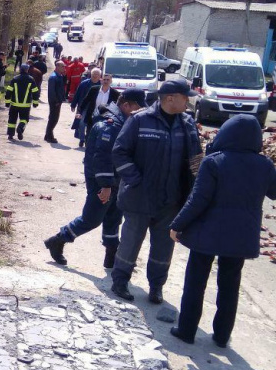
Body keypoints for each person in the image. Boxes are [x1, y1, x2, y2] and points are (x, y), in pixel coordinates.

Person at [168, 115, 276, 347]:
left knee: (196, 282)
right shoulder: (265, 165)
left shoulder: (215, 162)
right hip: (241, 237)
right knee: (230, 286)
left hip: (206, 233)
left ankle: (186, 330)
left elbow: (198, 200)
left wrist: (178, 224)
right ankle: (222, 336)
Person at [110, 78, 202, 303]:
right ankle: (120, 281)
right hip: (139, 197)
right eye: (185, 98)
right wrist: (136, 180)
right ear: (170, 98)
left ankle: (156, 286)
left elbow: (196, 160)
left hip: (170, 200)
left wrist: (197, 187)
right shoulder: (140, 120)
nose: (188, 103)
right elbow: (119, 153)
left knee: (163, 247)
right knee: (131, 242)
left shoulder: (187, 123)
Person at [44, 89, 149, 267]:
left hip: (116, 179)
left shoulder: (124, 121)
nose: (140, 112)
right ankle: (58, 240)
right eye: (137, 107)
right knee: (92, 218)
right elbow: (102, 158)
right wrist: (106, 185)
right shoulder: (111, 125)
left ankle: (111, 256)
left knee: (114, 217)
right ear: (126, 105)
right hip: (102, 179)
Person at [5, 64, 40, 141]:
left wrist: (7, 102)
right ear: (27, 70)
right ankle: (20, 128)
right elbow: (35, 92)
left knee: (12, 119)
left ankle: (10, 135)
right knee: (24, 119)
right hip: (25, 105)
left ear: (20, 69)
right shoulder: (31, 79)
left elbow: (9, 91)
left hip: (14, 104)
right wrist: (35, 102)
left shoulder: (15, 79)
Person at [71, 68, 102, 146]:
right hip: (84, 107)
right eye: (93, 74)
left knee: (93, 124)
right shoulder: (84, 83)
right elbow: (77, 94)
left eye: (97, 74)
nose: (95, 76)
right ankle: (82, 139)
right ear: (90, 74)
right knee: (82, 123)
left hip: (96, 108)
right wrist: (73, 104)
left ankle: (90, 140)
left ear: (99, 76)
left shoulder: (102, 85)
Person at [45, 61, 67, 143]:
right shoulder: (53, 77)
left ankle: (47, 135)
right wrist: (56, 101)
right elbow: (52, 91)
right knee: (53, 119)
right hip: (55, 101)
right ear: (57, 66)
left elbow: (62, 86)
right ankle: (50, 136)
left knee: (53, 118)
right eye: (62, 66)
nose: (64, 68)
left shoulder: (59, 76)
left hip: (58, 100)